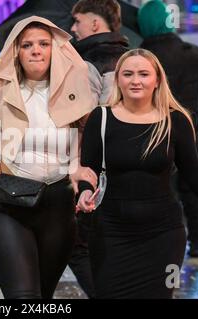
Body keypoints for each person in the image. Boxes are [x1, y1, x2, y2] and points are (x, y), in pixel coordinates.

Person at [76, 49, 198, 299]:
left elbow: (194, 170)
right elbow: (89, 168)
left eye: (143, 74)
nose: (135, 80)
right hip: (110, 233)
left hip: (165, 235)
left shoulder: (176, 120)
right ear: (118, 79)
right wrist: (85, 192)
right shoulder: (102, 117)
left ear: (157, 80)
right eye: (128, 74)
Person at [0, 16, 96, 299]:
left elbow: (87, 150)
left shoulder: (75, 94)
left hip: (59, 208)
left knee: (43, 298)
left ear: (54, 49)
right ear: (16, 51)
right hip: (9, 206)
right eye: (27, 45)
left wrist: (81, 172)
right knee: (23, 298)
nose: (36, 50)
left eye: (43, 44)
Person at [138, 0, 198, 257]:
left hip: (152, 130)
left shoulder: (140, 57)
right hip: (190, 128)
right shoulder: (191, 52)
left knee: (160, 188)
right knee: (192, 184)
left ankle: (161, 245)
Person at [68, 0, 129, 298]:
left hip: (98, 175)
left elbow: (86, 123)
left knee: (78, 245)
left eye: (77, 21)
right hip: (133, 171)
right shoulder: (133, 59)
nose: (72, 28)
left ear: (95, 24)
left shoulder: (88, 63)